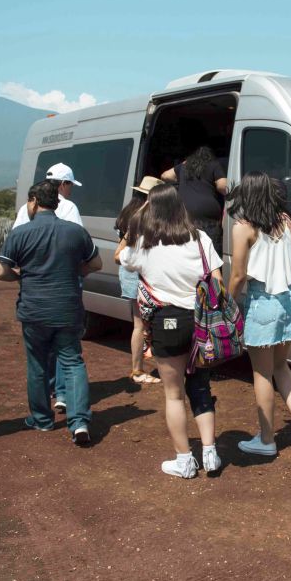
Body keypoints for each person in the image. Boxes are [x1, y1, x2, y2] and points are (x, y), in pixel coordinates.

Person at [118, 183, 223, 478]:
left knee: (174, 395)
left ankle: (184, 461)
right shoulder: (200, 238)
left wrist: (136, 220)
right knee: (201, 389)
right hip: (201, 322)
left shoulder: (145, 243)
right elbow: (216, 280)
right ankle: (211, 454)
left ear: (151, 208)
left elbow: (121, 258)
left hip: (167, 322)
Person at [0, 181, 102, 445]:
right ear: (56, 202)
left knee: (38, 364)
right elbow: (96, 263)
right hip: (67, 307)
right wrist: (76, 272)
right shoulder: (75, 232)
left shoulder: (21, 233)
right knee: (72, 361)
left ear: (33, 201)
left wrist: (20, 277)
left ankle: (42, 420)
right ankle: (79, 423)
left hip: (34, 309)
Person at [227, 172, 291, 456]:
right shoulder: (286, 222)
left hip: (262, 301)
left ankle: (266, 440)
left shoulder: (243, 227)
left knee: (262, 373)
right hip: (289, 300)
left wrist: (226, 302)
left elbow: (238, 275)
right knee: (281, 367)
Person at [12, 162, 83, 413]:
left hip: (35, 286)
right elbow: (81, 247)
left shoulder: (26, 208)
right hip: (65, 283)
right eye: (70, 185)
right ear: (62, 185)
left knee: (39, 352)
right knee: (68, 347)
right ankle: (64, 395)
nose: (71, 190)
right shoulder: (69, 207)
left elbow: (15, 242)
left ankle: (44, 406)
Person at [113, 176, 163, 385]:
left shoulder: (127, 212)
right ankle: (138, 369)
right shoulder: (144, 216)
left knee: (139, 324)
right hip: (139, 272)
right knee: (144, 324)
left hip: (127, 271)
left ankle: (138, 368)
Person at [161, 146, 228, 254]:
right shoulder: (214, 164)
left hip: (186, 220)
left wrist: (181, 179)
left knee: (189, 254)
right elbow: (223, 186)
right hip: (208, 221)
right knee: (210, 254)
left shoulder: (185, 166)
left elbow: (165, 176)